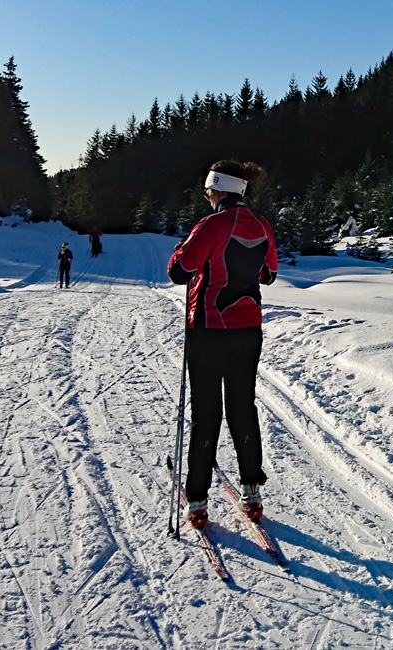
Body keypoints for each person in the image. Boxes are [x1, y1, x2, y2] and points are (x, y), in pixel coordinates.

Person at [167, 160, 278, 529]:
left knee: (207, 412)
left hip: (209, 328)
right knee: (242, 406)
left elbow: (178, 271)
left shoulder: (211, 224)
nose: (206, 195)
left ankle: (197, 498)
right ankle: (252, 490)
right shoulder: (262, 225)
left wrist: (185, 247)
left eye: (208, 189)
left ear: (218, 189)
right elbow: (269, 274)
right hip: (248, 329)